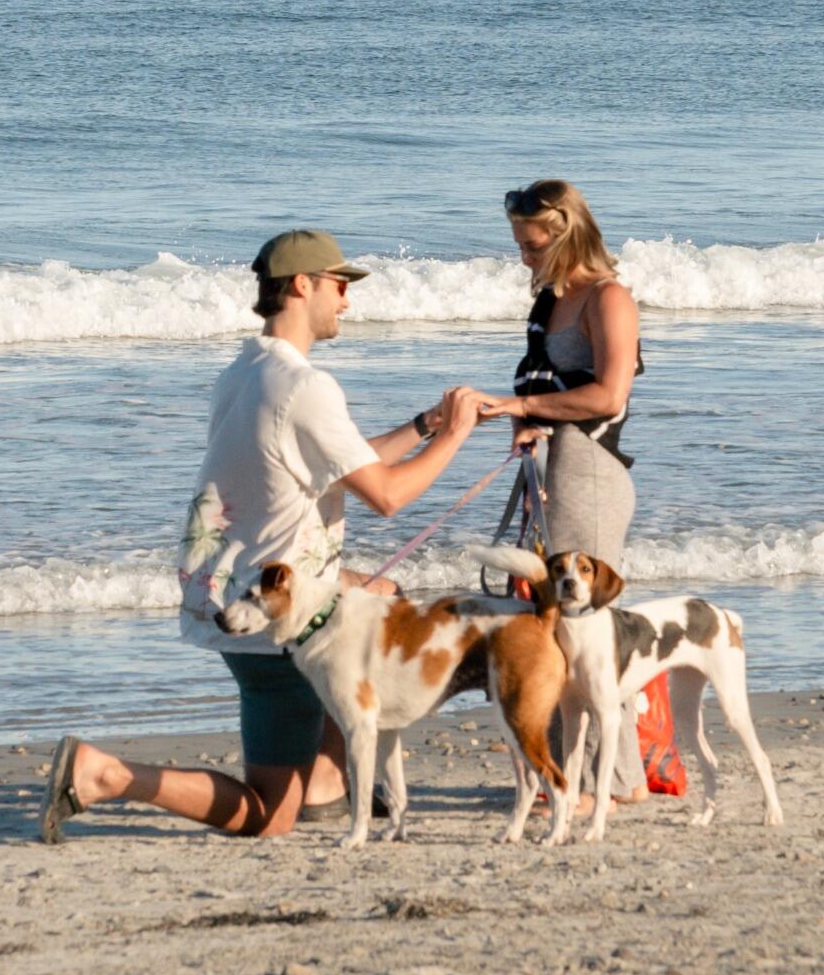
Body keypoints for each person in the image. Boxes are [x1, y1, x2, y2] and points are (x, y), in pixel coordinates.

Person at [40, 228, 483, 842]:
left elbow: (341, 465)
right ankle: (106, 775)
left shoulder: (245, 372)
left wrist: (424, 427)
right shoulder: (305, 386)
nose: (347, 299)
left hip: (224, 584)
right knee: (267, 818)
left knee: (381, 594)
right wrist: (457, 436)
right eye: (339, 285)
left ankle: (326, 785)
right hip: (273, 616)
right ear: (302, 285)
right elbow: (386, 495)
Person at [470, 179, 650, 800]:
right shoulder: (551, 299)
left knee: (583, 632)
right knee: (556, 625)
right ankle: (595, 779)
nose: (522, 255)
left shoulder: (608, 297)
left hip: (593, 471)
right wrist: (525, 422)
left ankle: (610, 781)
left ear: (567, 234)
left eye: (532, 244)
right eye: (519, 243)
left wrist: (522, 405)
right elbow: (545, 386)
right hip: (555, 467)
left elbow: (609, 396)